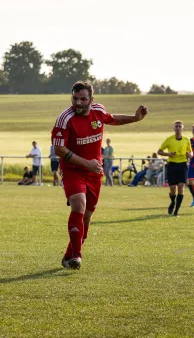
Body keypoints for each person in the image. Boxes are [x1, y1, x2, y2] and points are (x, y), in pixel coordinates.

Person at [51, 81, 148, 270]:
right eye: (75, 98)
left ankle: (68, 255)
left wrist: (135, 118)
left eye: (83, 99)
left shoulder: (98, 111)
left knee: (86, 218)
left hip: (94, 173)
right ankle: (77, 256)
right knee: (79, 205)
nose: (78, 103)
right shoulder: (64, 119)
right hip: (73, 170)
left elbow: (113, 119)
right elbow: (59, 149)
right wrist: (86, 163)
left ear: (91, 99)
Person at [158, 121, 192, 216]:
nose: (178, 128)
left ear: (182, 128)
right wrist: (168, 154)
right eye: (176, 126)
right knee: (173, 188)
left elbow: (191, 152)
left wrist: (190, 155)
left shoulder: (186, 140)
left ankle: (176, 211)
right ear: (174, 128)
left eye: (179, 126)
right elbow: (159, 151)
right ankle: (172, 202)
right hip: (172, 165)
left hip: (182, 165)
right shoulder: (169, 139)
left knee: (181, 186)